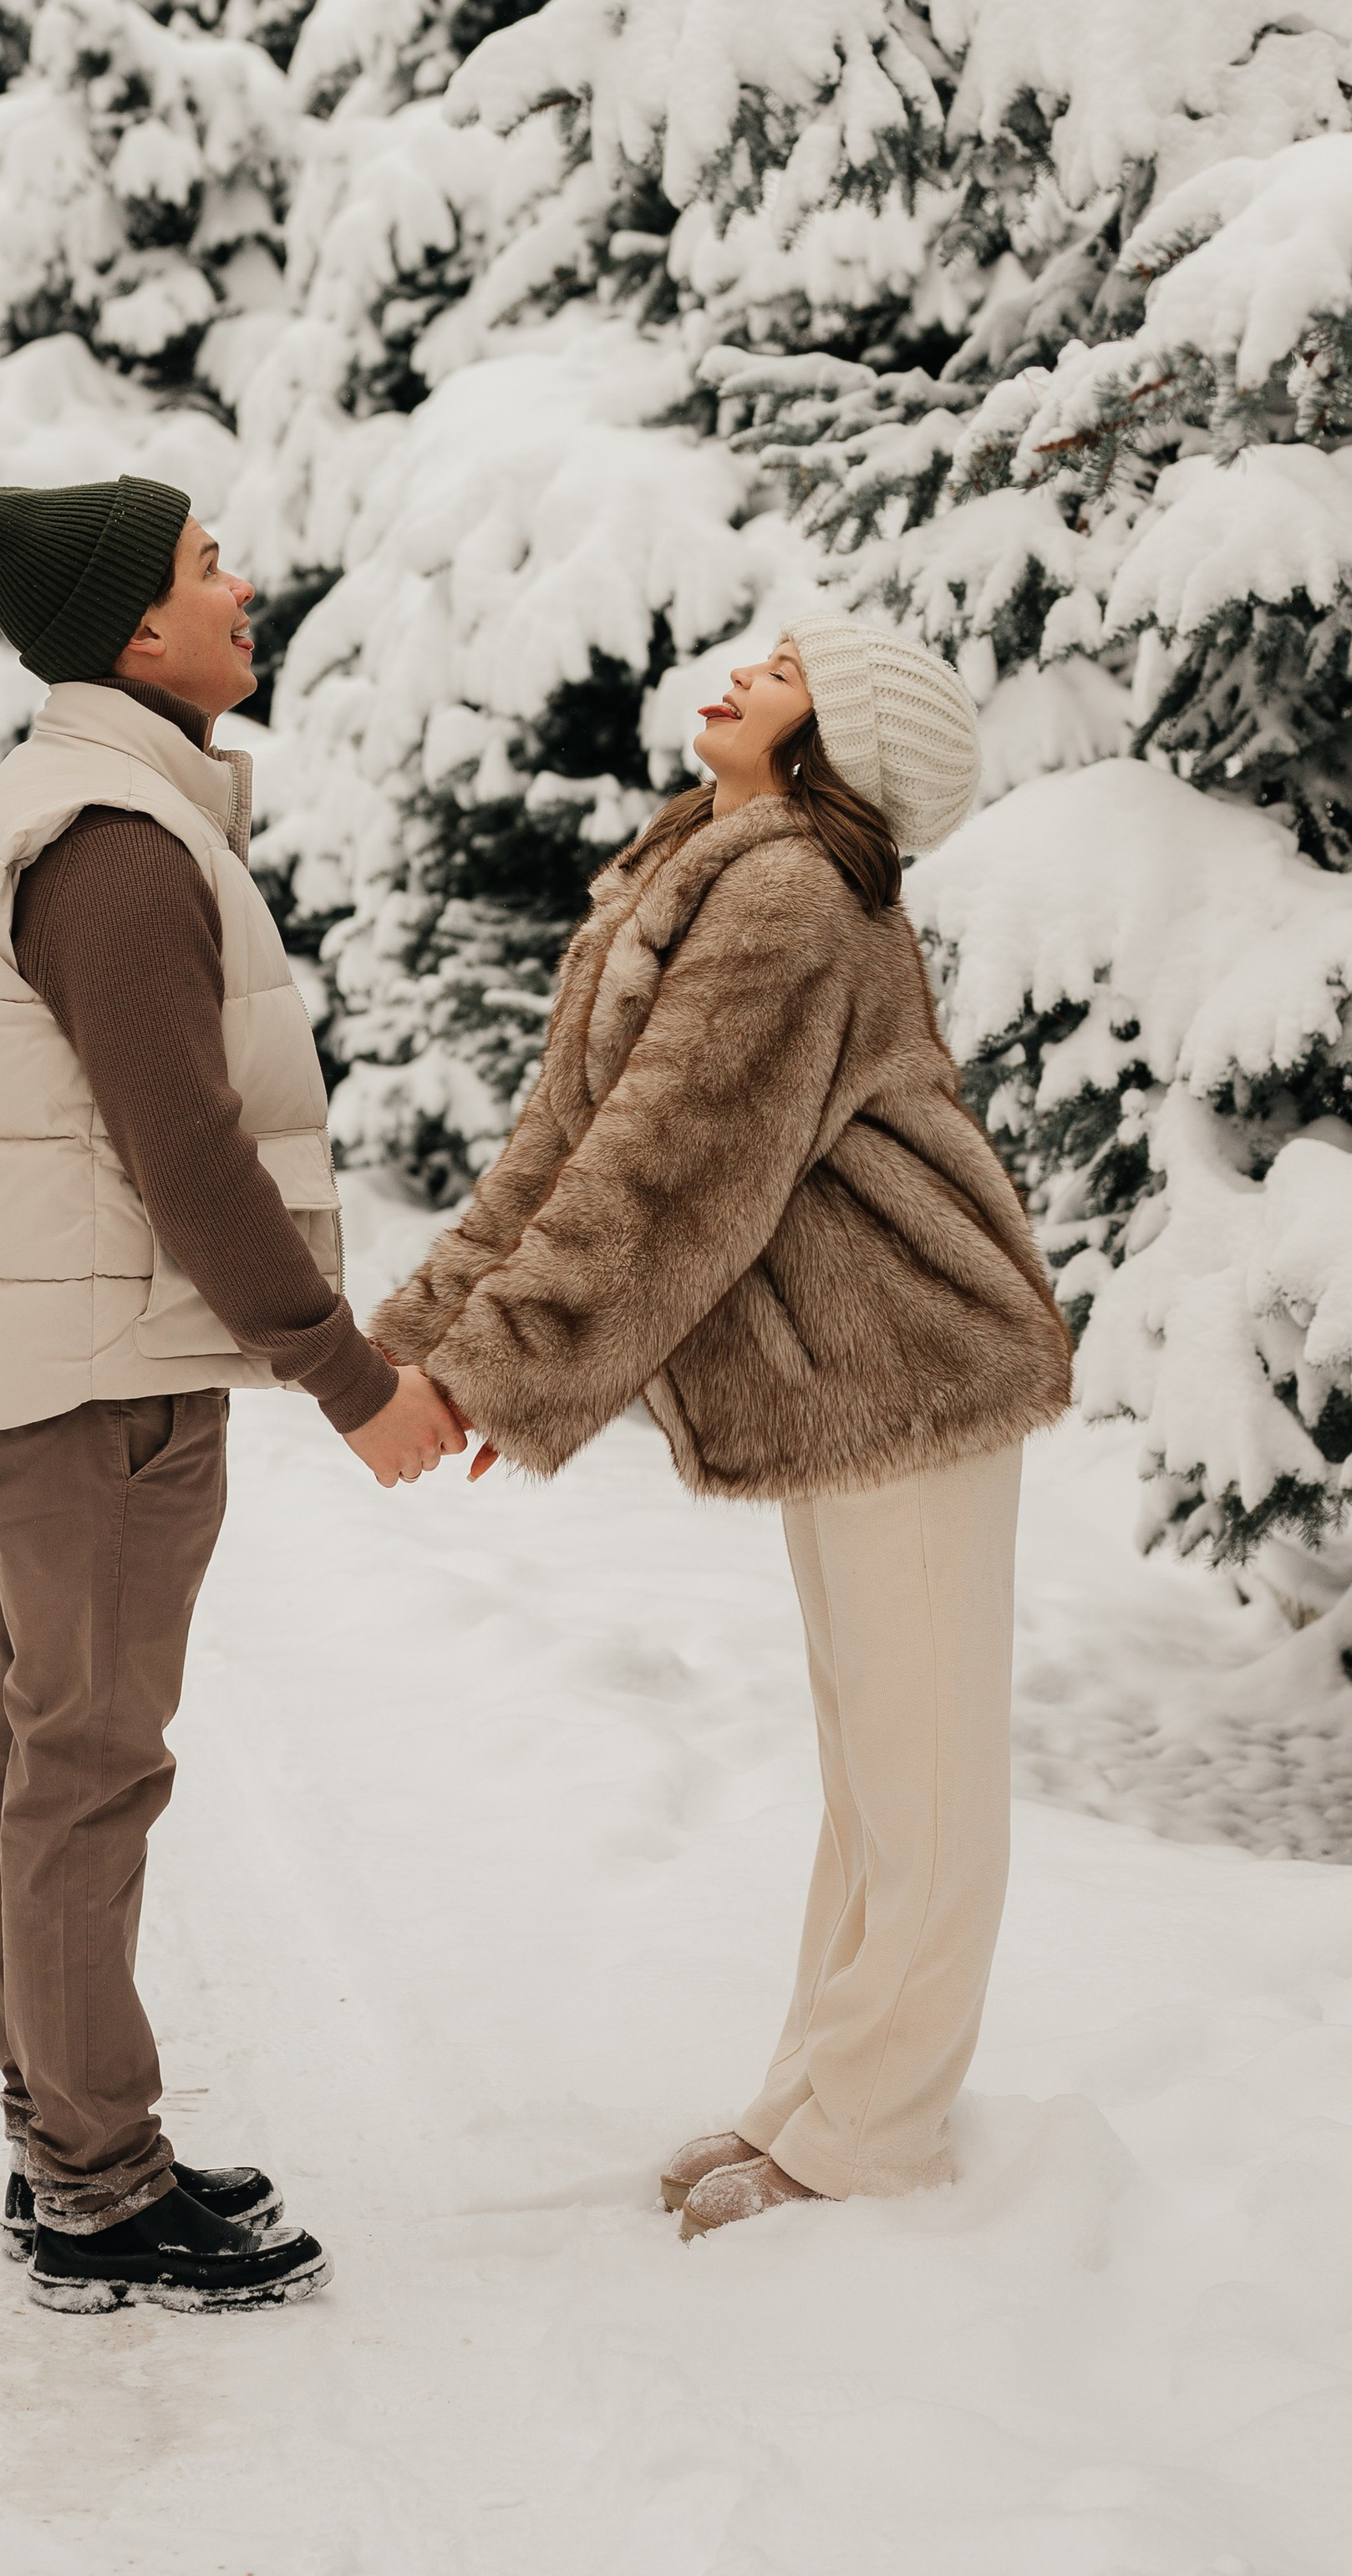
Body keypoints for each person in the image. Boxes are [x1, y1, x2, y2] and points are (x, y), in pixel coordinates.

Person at [369, 618, 1073, 2236]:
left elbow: (669, 1167)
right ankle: (813, 2095)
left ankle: (874, 2132)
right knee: (868, 1767)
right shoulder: (695, 865)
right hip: (833, 1380)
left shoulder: (789, 897)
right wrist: (417, 1345)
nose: (741, 672)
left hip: (910, 1362)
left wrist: (499, 1368)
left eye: (785, 670)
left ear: (843, 742)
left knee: (921, 1775)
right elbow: (571, 1137)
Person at [0, 473, 465, 2314]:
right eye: (207, 567)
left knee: (38, 1761)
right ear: (137, 636)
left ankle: (69, 2138)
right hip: (101, 1387)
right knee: (83, 1771)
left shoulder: (105, 805)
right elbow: (186, 1149)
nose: (243, 589)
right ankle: (95, 2185)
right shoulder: (119, 839)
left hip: (68, 1371)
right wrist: (343, 1372)